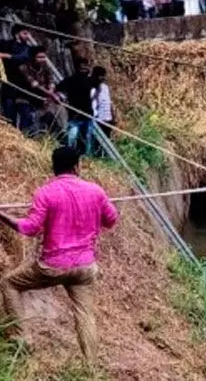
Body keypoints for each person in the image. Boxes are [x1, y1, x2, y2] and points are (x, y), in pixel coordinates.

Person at [0, 147, 119, 361]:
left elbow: (29, 228)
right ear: (77, 166)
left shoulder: (45, 193)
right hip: (85, 267)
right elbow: (111, 220)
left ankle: (22, 339)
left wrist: (3, 215)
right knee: (85, 315)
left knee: (9, 284)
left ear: (54, 168)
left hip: (52, 266)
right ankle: (90, 366)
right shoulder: (95, 191)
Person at [57, 58, 95, 155]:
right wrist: (61, 97)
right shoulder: (70, 80)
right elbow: (58, 89)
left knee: (87, 139)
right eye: (81, 67)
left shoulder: (91, 81)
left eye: (85, 67)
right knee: (72, 137)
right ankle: (69, 155)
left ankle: (87, 158)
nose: (84, 69)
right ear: (77, 68)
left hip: (88, 115)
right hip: (74, 115)